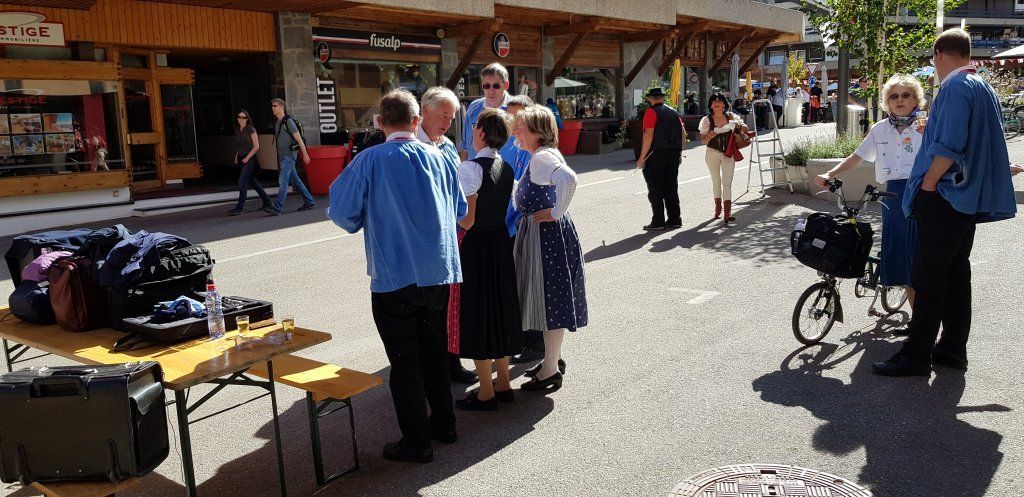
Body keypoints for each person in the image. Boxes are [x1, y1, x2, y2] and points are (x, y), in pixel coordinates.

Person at [327, 88, 466, 462]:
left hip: (395, 278)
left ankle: (417, 442)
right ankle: (445, 426)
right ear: (416, 121)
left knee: (405, 362)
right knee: (435, 354)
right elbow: (459, 208)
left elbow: (341, 213)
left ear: (378, 123)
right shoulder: (439, 157)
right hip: (439, 271)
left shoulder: (369, 160)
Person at [873, 28, 1018, 377]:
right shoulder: (983, 86)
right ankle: (952, 350)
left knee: (929, 276)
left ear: (939, 54)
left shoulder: (953, 87)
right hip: (967, 197)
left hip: (945, 194)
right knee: (955, 274)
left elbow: (950, 145)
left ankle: (916, 355)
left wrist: (928, 184)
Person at [815, 74, 925, 335]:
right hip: (894, 193)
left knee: (917, 259)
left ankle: (923, 324)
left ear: (916, 99)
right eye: (894, 96)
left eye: (905, 95)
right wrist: (832, 174)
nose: (899, 100)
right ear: (887, 102)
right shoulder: (880, 129)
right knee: (898, 254)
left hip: (923, 192)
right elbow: (857, 157)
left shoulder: (926, 126)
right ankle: (918, 321)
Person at [451, 108, 523, 410]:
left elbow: (467, 220)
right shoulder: (505, 166)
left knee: (479, 313)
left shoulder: (470, 168)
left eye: (475, 126)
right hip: (498, 241)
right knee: (500, 309)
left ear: (481, 132)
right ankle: (503, 382)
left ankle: (485, 393)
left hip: (477, 244)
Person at [513, 105, 587, 391]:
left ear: (535, 131)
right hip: (547, 233)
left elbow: (568, 179)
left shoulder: (542, 156)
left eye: (520, 127)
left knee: (550, 301)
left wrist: (555, 213)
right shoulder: (542, 155)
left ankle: (550, 368)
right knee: (551, 300)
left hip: (546, 235)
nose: (516, 132)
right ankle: (551, 362)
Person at [415, 86, 481, 385]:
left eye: (451, 117)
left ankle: (449, 361)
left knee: (449, 302)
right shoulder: (413, 146)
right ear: (424, 111)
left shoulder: (447, 146)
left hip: (449, 233)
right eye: (443, 115)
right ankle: (430, 363)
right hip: (422, 238)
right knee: (426, 305)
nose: (447, 121)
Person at [504, 96, 546, 365]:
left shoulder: (537, 151)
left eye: (519, 119)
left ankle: (537, 344)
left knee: (531, 286)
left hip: (526, 226)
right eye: (511, 119)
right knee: (518, 286)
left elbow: (565, 181)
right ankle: (524, 339)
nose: (514, 124)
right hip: (510, 225)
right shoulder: (511, 145)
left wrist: (556, 212)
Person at [636, 87, 685, 231]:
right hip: (673, 153)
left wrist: (641, 157)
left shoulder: (651, 112)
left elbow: (648, 135)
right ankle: (675, 219)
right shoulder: (673, 111)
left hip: (656, 154)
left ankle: (658, 221)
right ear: (662, 97)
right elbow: (683, 133)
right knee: (671, 187)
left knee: (655, 188)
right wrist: (680, 151)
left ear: (651, 98)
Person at [699, 92, 747, 224]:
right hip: (712, 153)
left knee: (727, 182)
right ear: (711, 105)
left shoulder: (731, 116)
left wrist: (737, 125)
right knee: (716, 181)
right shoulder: (706, 120)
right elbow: (703, 141)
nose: (717, 103)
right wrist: (710, 135)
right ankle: (717, 209)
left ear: (724, 104)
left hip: (728, 153)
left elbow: (746, 128)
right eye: (714, 101)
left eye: (720, 101)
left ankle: (727, 213)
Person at [265, 98, 315, 215]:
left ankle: (277, 207)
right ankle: (309, 201)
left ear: (282, 107)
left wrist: (305, 154)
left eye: (275, 106)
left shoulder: (289, 122)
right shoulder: (278, 122)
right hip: (282, 157)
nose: (272, 108)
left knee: (283, 181)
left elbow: (299, 139)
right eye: (272, 106)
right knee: (296, 181)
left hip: (289, 157)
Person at [460, 63, 512, 160]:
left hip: (506, 172)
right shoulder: (473, 108)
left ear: (506, 85)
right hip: (474, 172)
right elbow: (464, 146)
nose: (491, 91)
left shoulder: (515, 110)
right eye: (487, 86)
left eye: (496, 86)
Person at [229, 109, 273, 215]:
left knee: (242, 182)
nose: (241, 119)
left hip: (250, 160)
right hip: (242, 159)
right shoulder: (238, 129)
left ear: (247, 119)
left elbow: (256, 146)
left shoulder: (250, 129)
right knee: (253, 183)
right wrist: (236, 156)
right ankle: (267, 201)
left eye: (243, 117)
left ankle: (240, 208)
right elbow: (239, 145)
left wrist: (247, 157)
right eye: (239, 117)